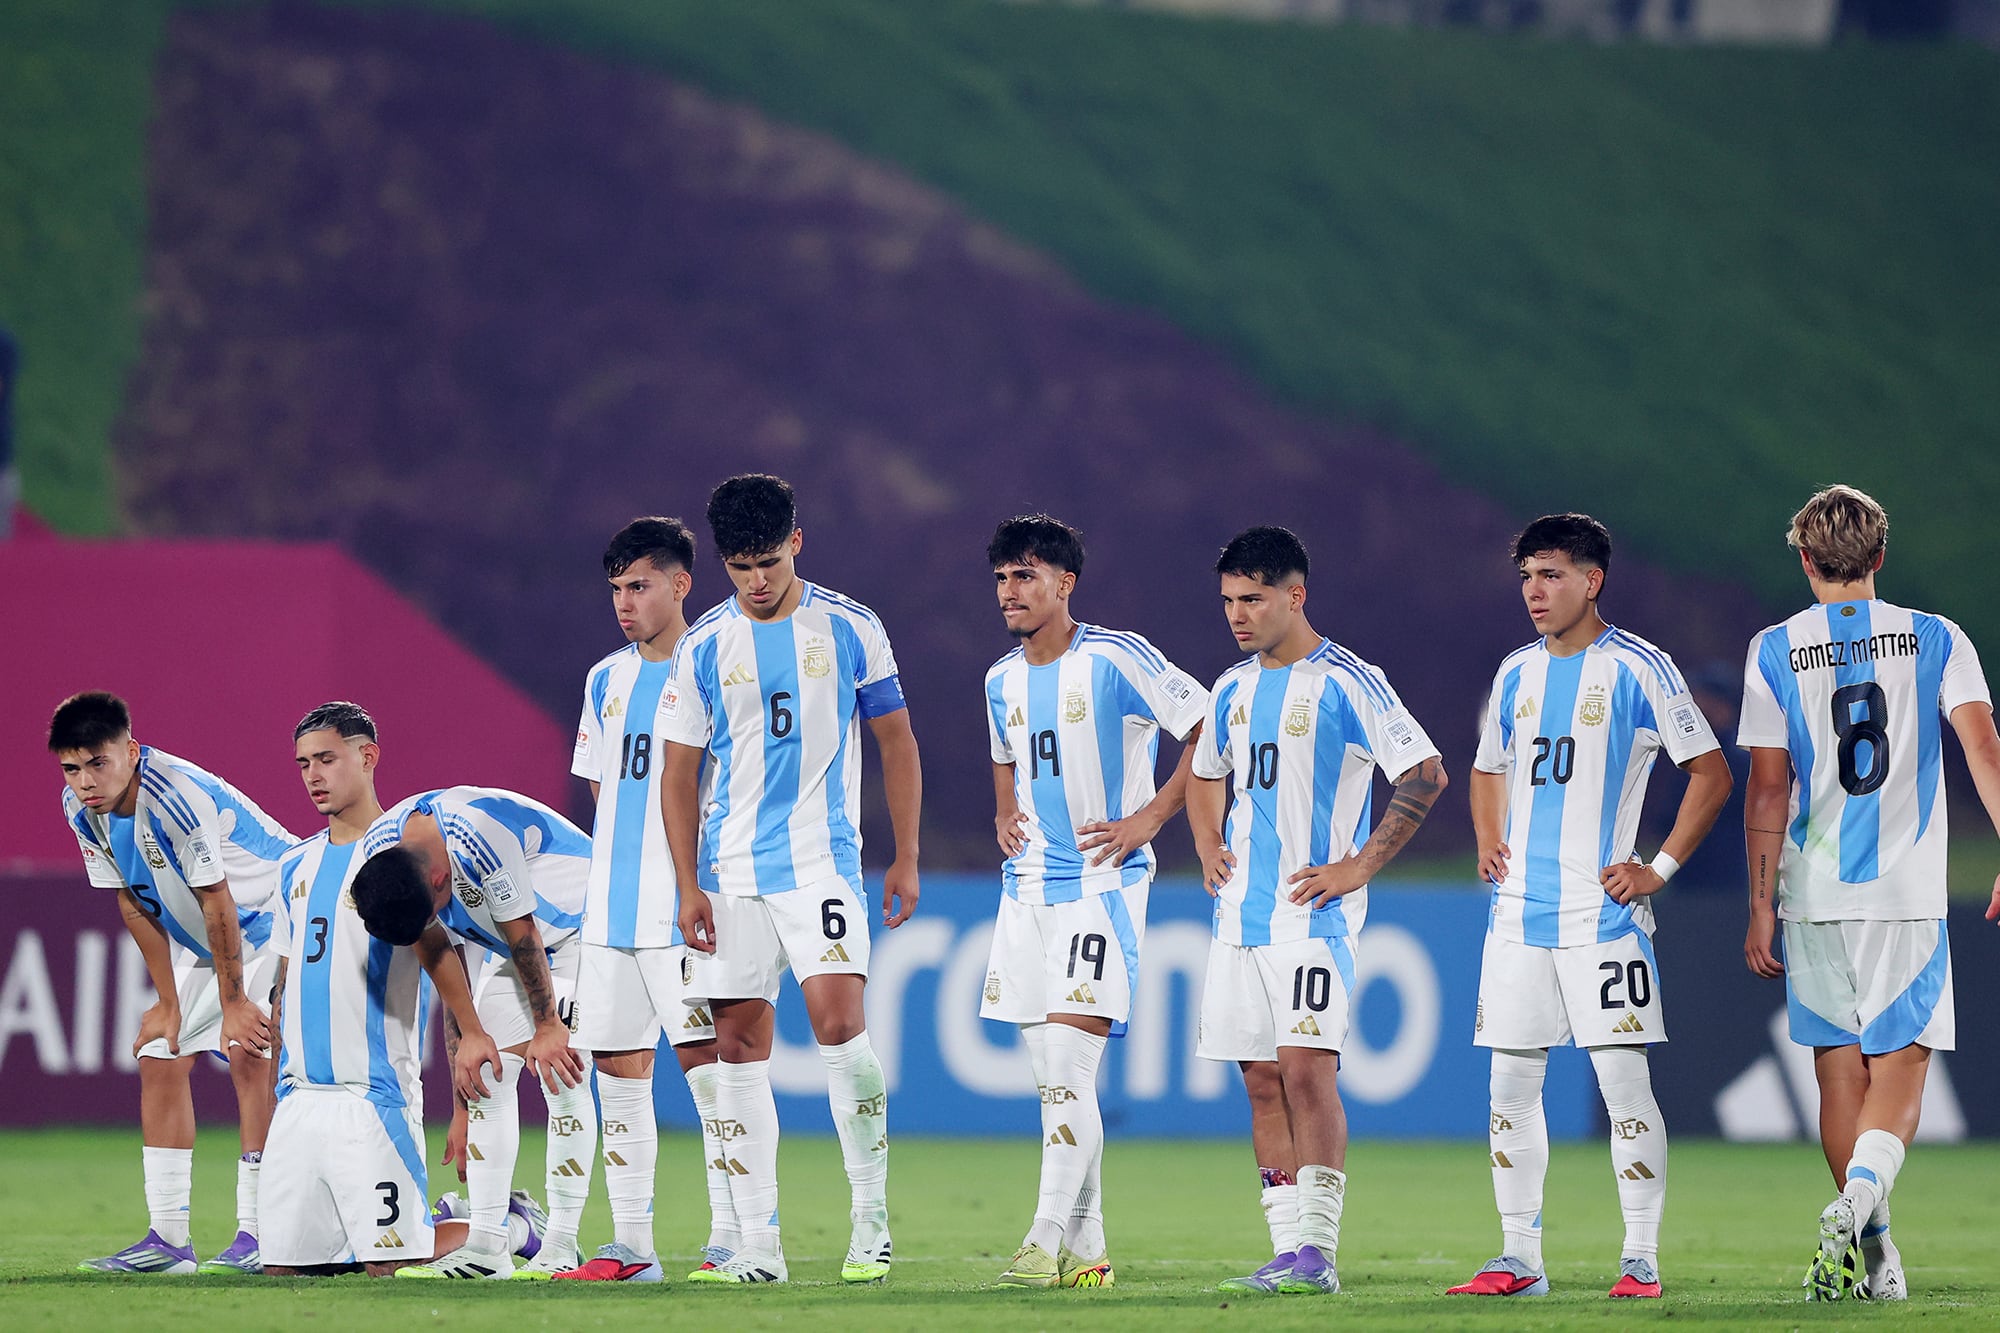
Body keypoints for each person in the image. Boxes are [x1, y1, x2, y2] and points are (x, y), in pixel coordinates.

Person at [1450, 513, 1732, 1301]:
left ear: (1591, 579)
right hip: (1518, 918)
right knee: (1510, 1087)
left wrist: (1659, 867)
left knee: (1622, 1086)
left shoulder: (1641, 668)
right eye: (1527, 577)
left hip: (1603, 920)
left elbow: (1709, 773)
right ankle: (1518, 1257)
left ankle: (1640, 1258)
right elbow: (1485, 765)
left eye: (1550, 575)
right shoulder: (1514, 673)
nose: (1535, 592)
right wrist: (1486, 839)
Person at [1738, 484, 2000, 1302]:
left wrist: (1758, 904)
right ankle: (1857, 1205)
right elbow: (1983, 745)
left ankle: (1875, 1248)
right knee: (1902, 1068)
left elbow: (1767, 788)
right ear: (1880, 557)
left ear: (1806, 559)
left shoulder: (1774, 646)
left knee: (1838, 1074)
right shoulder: (1936, 638)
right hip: (1904, 892)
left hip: (1812, 891)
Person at [659, 473, 923, 1285]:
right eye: (740, 566)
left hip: (820, 863)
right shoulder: (703, 642)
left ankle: (871, 1222)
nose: (757, 581)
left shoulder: (850, 626)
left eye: (768, 561)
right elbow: (678, 773)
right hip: (732, 873)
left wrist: (906, 853)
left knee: (841, 1028)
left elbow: (897, 741)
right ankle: (759, 1244)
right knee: (738, 1048)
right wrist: (686, 882)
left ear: (797, 543)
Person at [1187, 526, 1448, 1297]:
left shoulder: (1348, 679)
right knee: (1260, 1079)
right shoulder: (1231, 687)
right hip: (1239, 920)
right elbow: (1205, 771)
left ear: (1295, 596)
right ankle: (1284, 1249)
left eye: (1254, 598)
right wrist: (1207, 842)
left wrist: (1357, 867)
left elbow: (1425, 773)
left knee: (1306, 1071)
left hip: (1312, 920)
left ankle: (1319, 1251)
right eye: (1230, 599)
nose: (1238, 614)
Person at [978, 513, 1208, 1289]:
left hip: (1102, 887)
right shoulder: (999, 678)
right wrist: (1004, 808)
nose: (1011, 590)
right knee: (1057, 1083)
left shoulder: (1115, 656)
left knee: (1071, 1070)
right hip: (1027, 892)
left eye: (1027, 575)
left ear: (1065, 583)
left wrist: (1148, 818)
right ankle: (1092, 1249)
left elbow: (1212, 726)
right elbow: (1006, 754)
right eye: (1003, 576)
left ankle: (1042, 1238)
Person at [50, 691, 297, 1274]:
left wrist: (234, 1003)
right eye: (71, 768)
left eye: (98, 763)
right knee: (160, 1053)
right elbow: (133, 902)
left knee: (249, 1052)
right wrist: (167, 1002)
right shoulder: (79, 807)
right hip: (214, 943)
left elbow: (219, 902)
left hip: (273, 920)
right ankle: (168, 1242)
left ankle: (261, 1234)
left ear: (131, 751)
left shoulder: (174, 797)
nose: (85, 780)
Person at [558, 517, 740, 1283]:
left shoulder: (718, 667)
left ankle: (736, 1235)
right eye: (616, 589)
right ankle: (633, 1243)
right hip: (611, 915)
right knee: (618, 1070)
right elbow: (602, 791)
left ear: (680, 583)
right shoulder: (605, 678)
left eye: (639, 586)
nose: (624, 603)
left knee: (712, 1070)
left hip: (686, 909)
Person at [264, 702, 489, 1275]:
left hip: (373, 1098)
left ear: (368, 758)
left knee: (390, 1268)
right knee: (287, 1274)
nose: (313, 775)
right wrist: (276, 1100)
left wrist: (461, 1105)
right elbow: (284, 989)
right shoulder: (294, 866)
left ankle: (505, 1226)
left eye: (327, 759)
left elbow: (445, 964)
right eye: (303, 764)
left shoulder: (401, 862)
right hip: (299, 1103)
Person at [351, 786, 592, 1278]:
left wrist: (549, 1026)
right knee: (485, 1077)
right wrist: (462, 1101)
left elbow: (523, 933)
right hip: (518, 945)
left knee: (562, 1073)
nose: (437, 919)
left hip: (584, 928)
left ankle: (562, 1245)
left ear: (440, 878)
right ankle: (486, 1247)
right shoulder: (383, 852)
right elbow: (440, 951)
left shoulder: (478, 838)